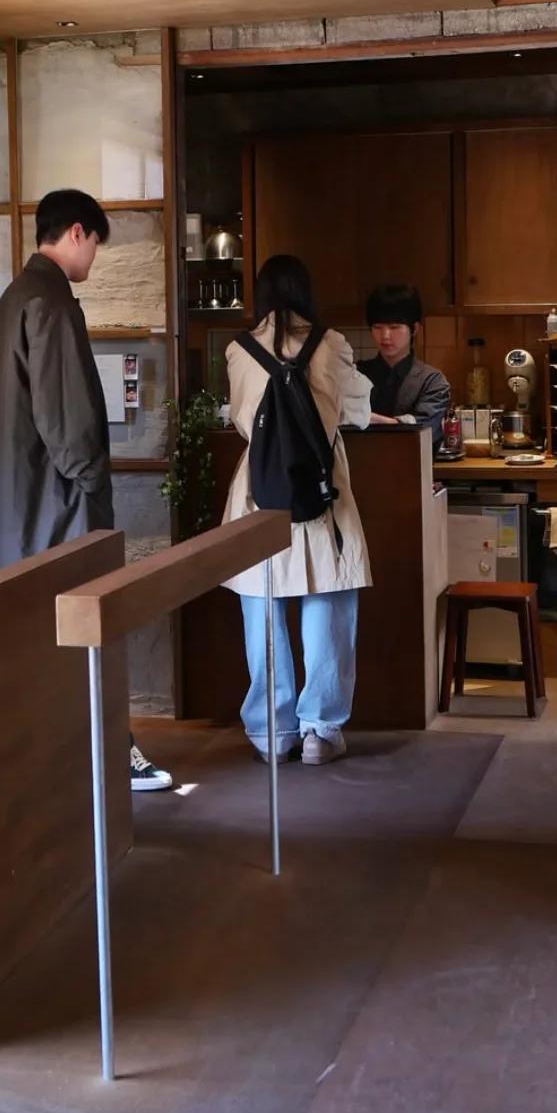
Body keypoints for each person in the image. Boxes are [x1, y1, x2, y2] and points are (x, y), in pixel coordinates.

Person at [0, 187, 172, 792]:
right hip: (57, 512)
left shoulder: (15, 298)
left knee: (37, 646)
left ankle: (55, 761)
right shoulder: (51, 302)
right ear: (79, 233)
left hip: (17, 508)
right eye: (96, 247)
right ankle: (110, 754)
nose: (95, 263)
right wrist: (91, 484)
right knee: (87, 635)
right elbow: (67, 421)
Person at [221, 255, 372, 765]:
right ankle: (319, 731)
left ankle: (271, 732)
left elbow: (243, 422)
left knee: (262, 606)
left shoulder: (238, 351)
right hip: (321, 488)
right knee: (326, 600)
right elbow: (357, 413)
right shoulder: (332, 344)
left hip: (257, 494)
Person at [358, 283, 451, 447]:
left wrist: (372, 420)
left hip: (414, 469)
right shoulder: (356, 374)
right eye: (378, 327)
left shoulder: (432, 381)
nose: (385, 336)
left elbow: (425, 427)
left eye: (394, 327)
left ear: (414, 329)